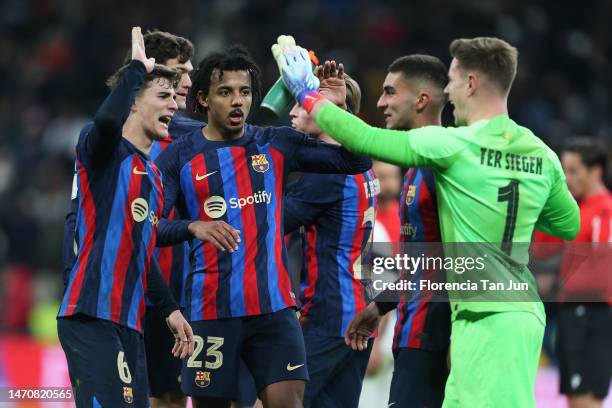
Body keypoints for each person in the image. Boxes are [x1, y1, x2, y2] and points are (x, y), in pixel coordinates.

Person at [272, 35, 580, 407]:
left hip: (477, 317)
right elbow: (567, 225)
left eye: (451, 80)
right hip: (514, 312)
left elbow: (367, 139)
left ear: (471, 83)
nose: (447, 92)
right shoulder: (540, 152)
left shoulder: (452, 147)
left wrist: (308, 93)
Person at [154, 45, 371, 408]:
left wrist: (336, 111)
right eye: (225, 92)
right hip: (211, 313)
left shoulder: (275, 143)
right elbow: (149, 228)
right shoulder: (179, 155)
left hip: (274, 313)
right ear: (204, 99)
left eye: (245, 91)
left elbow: (358, 160)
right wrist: (192, 227)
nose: (237, 101)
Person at [57, 27, 194, 408]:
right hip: (90, 316)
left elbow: (141, 251)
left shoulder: (152, 175)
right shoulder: (101, 150)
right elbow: (105, 123)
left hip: (129, 324)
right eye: (164, 97)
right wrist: (136, 69)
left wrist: (169, 309)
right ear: (132, 102)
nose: (175, 106)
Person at [285, 71, 377, 408]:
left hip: (328, 313)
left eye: (301, 104)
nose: (293, 113)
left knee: (278, 402)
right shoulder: (363, 165)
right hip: (358, 310)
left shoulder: (327, 174)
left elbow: (270, 221)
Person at [376, 54, 452, 408]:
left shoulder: (447, 166)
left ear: (421, 100)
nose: (381, 103)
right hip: (410, 332)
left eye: (390, 92)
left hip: (435, 338)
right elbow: (416, 263)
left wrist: (457, 340)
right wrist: (378, 308)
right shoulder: (413, 168)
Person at [537, 138, 612, 408]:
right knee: (575, 399)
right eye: (564, 171)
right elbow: (539, 250)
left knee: (585, 400)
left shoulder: (605, 212)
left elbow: (602, 276)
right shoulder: (572, 211)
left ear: (596, 172)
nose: (567, 179)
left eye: (573, 171)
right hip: (571, 315)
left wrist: (556, 282)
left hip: (592, 315)